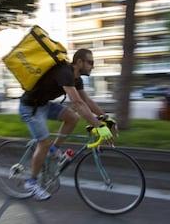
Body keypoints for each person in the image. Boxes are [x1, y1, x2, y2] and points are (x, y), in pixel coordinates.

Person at [19, 48, 114, 201]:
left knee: (73, 118)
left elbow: (87, 102)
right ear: (79, 62)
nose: (93, 66)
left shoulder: (77, 79)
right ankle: (31, 182)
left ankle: (53, 150)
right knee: (43, 143)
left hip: (43, 105)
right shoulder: (65, 72)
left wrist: (105, 118)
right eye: (90, 62)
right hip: (30, 108)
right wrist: (98, 125)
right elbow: (77, 102)